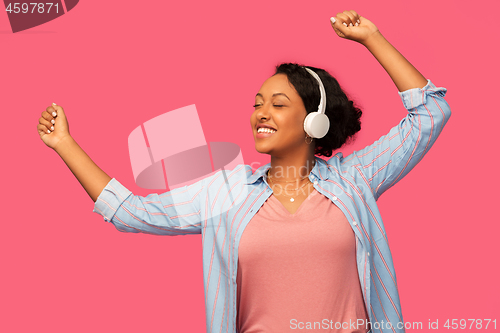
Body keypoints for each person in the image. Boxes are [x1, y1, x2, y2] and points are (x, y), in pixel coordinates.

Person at [37, 10, 451, 333]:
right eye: (257, 103)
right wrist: (65, 145)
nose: (261, 114)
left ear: (314, 122)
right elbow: (130, 212)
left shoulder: (355, 178)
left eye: (278, 103)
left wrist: (370, 38)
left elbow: (430, 113)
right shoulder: (224, 193)